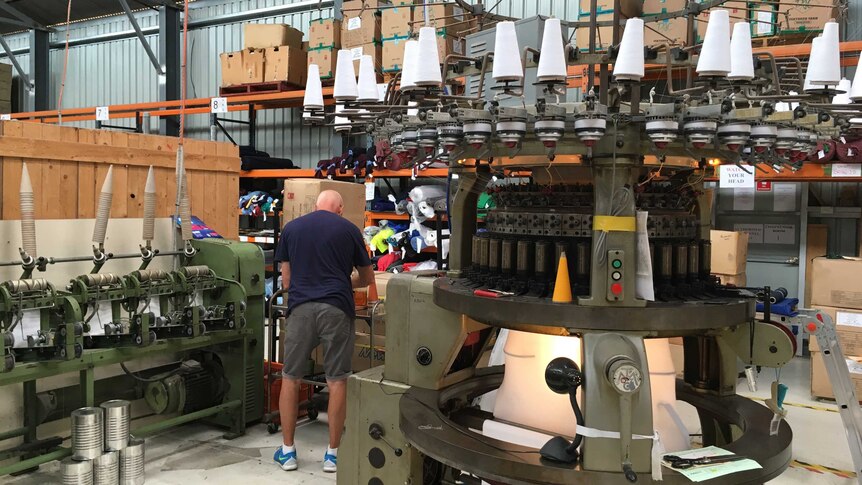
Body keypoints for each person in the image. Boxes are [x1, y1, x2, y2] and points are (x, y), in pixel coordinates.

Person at [272, 190, 374, 474]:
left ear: (315, 206)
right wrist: (342, 282)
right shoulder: (350, 230)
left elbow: (287, 280)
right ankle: (332, 455)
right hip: (337, 308)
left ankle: (288, 451)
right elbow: (366, 277)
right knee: (337, 380)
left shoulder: (291, 229)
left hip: (301, 308)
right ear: (340, 209)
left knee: (291, 378)